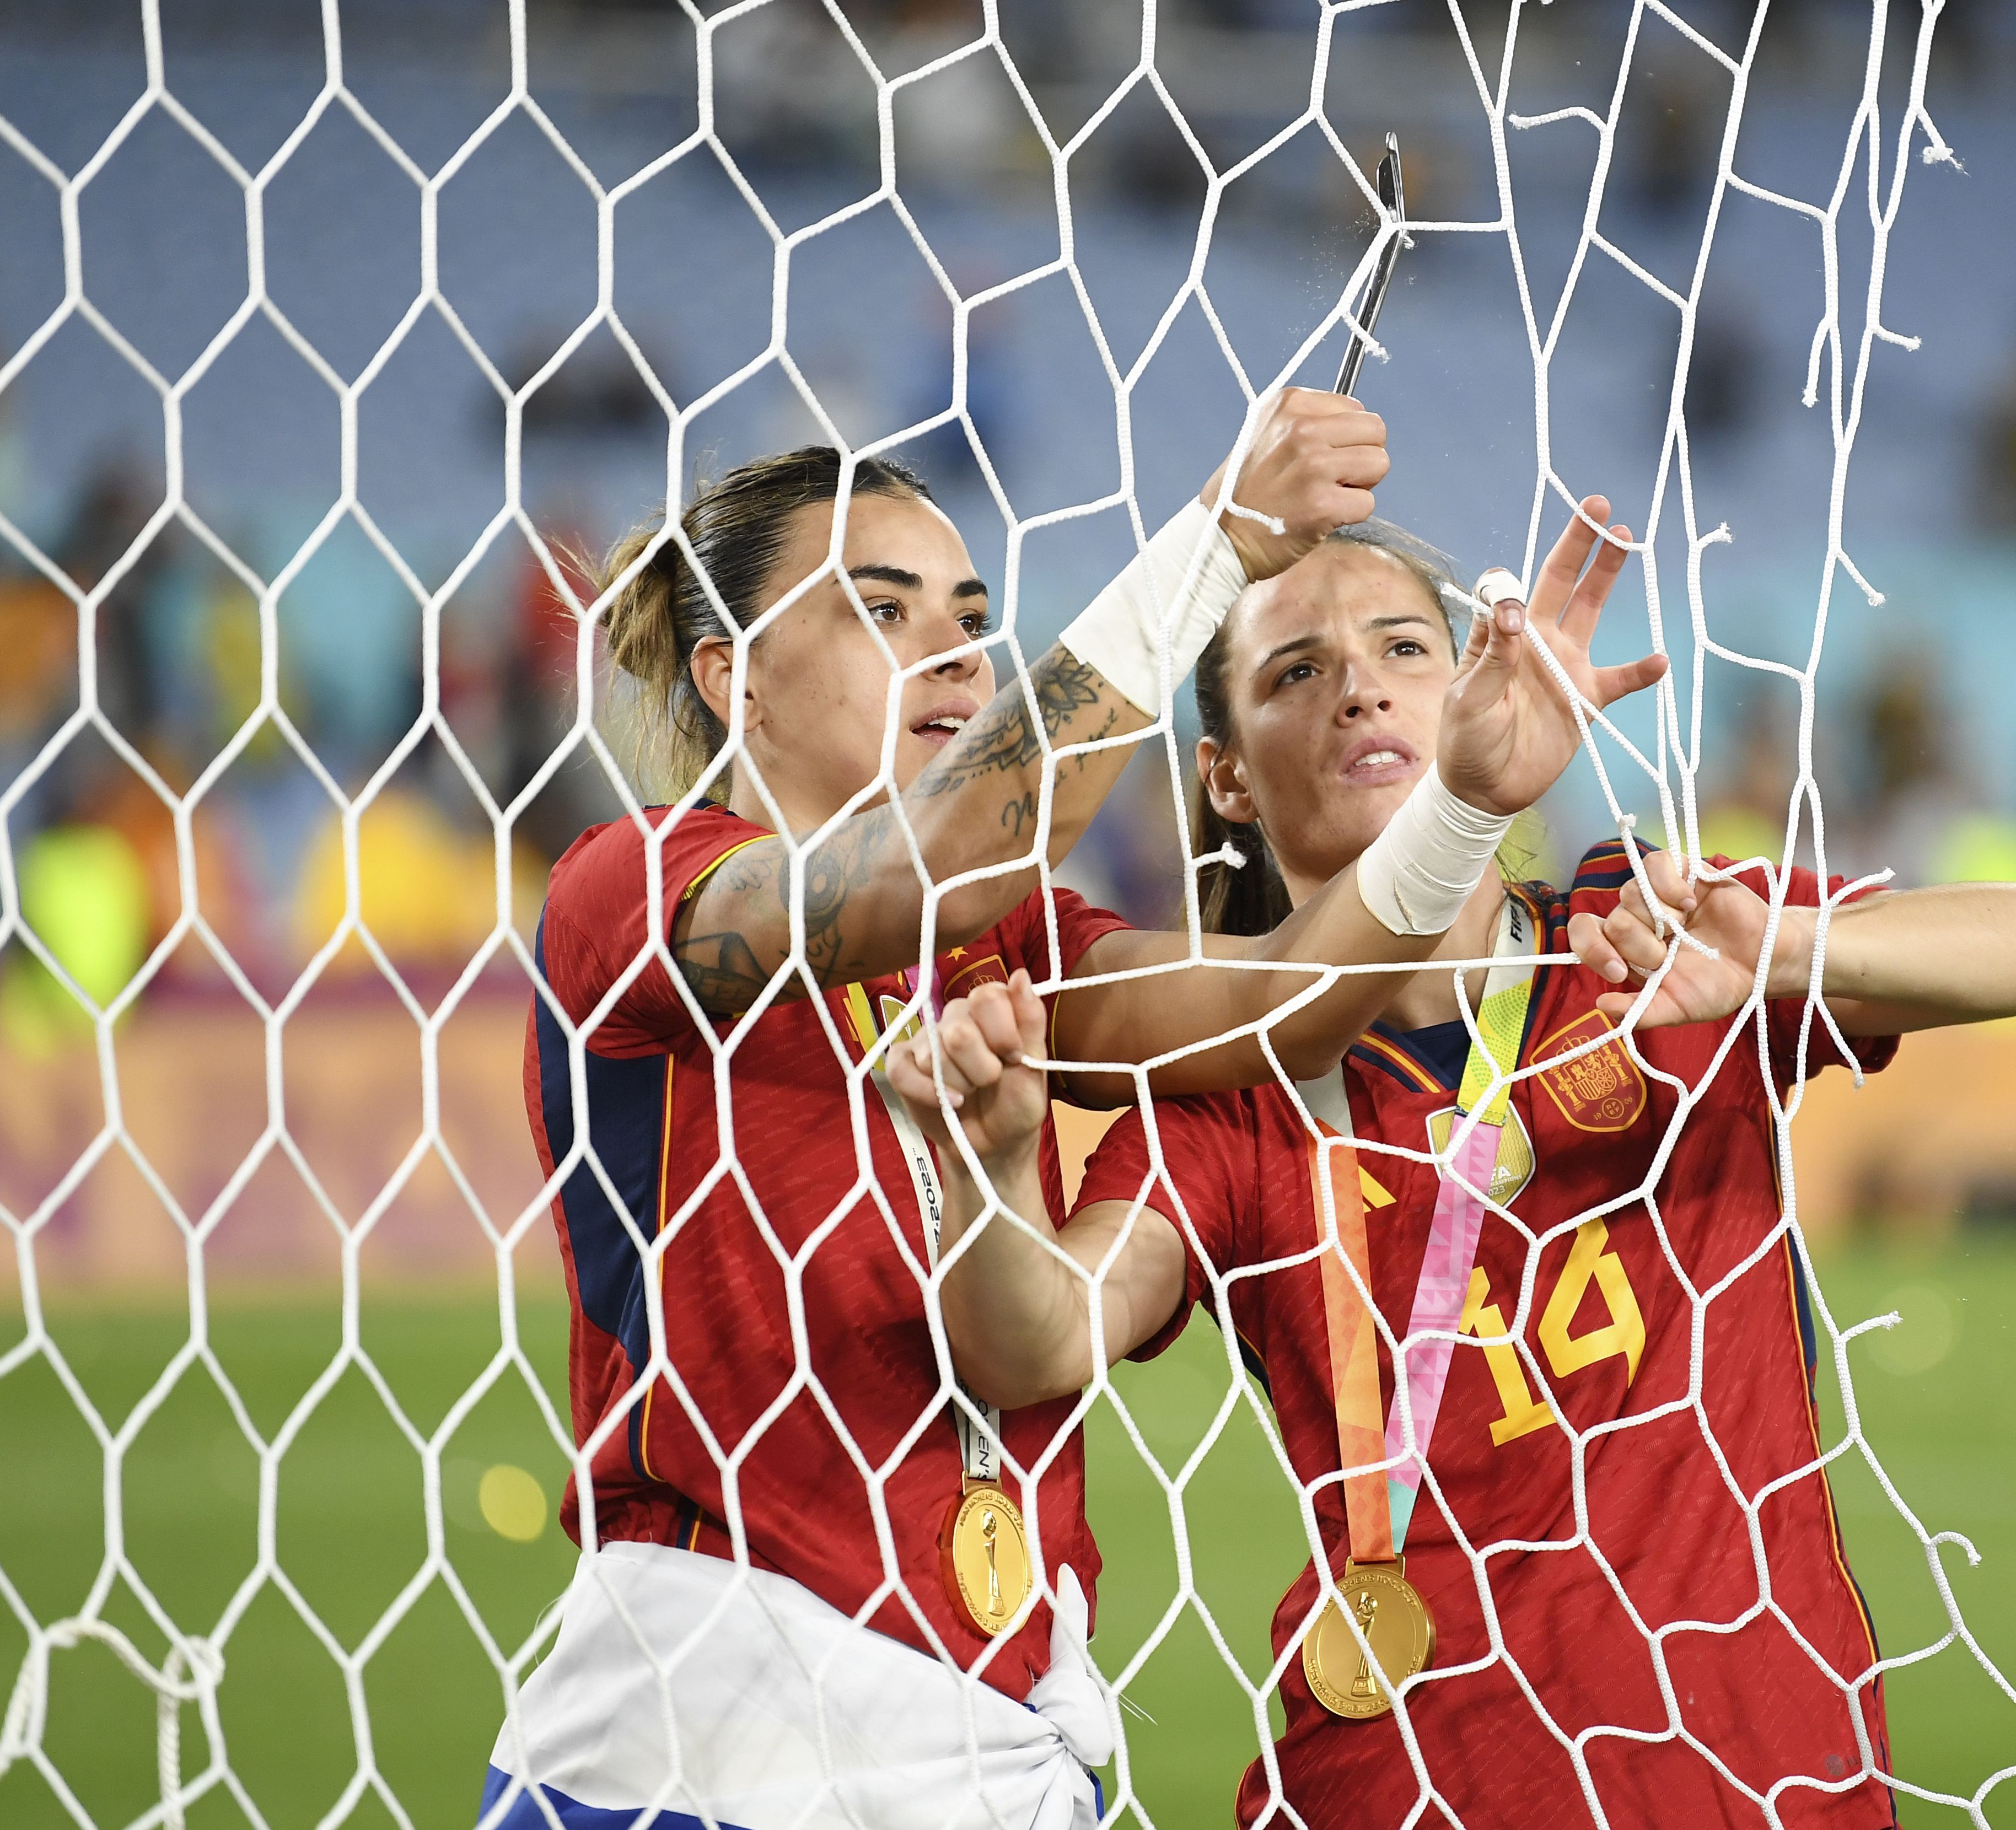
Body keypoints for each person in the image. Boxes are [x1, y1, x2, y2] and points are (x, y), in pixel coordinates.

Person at [483, 394, 1669, 1830]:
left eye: (972, 612)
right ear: (735, 676)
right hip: (705, 1746)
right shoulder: (639, 888)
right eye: (882, 609)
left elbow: (1287, 1001)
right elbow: (917, 869)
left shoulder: (1014, 939)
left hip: (986, 1749)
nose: (955, 648)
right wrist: (1219, 543)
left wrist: (1464, 803)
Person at [888, 531, 2016, 1829]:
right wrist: (994, 1160)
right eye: (1296, 672)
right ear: (1227, 779)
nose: (1359, 688)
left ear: (1468, 687)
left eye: (1402, 649)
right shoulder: (1232, 1101)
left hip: (1760, 1779)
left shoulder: (1642, 938)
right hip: (1400, 1788)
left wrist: (1787, 953)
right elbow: (1036, 1344)